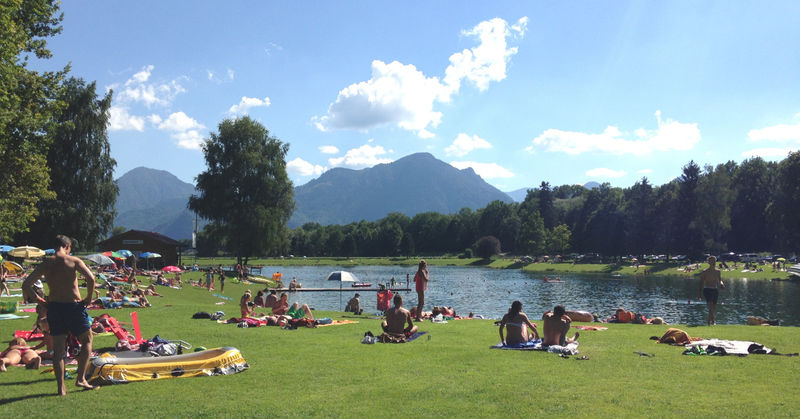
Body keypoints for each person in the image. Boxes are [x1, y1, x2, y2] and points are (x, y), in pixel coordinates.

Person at [22, 235, 96, 394]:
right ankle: (81, 378)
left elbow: (26, 284)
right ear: (67, 246)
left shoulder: (46, 263)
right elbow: (91, 279)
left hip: (55, 308)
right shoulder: (73, 261)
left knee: (59, 349)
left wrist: (40, 301)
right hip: (73, 307)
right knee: (87, 340)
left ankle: (61, 387)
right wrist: (88, 298)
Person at [699, 256, 725, 325]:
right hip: (707, 289)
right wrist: (700, 294)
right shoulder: (705, 271)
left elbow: (720, 280)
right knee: (710, 306)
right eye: (712, 261)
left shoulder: (717, 271)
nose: (713, 262)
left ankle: (709, 320)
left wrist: (722, 284)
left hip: (715, 289)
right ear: (708, 262)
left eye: (714, 261)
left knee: (713, 307)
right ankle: (712, 321)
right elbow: (701, 283)